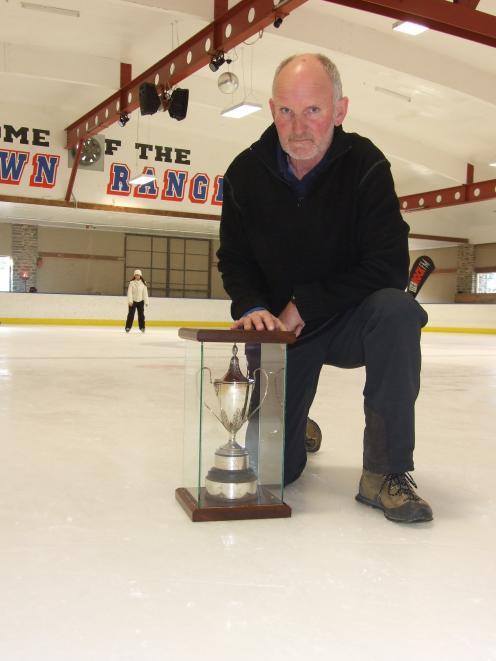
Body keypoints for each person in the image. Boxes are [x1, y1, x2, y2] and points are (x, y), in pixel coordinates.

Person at [216, 53, 432, 524]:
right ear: (272, 109)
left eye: (313, 110)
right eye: (286, 112)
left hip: (353, 318)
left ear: (340, 109)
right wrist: (254, 306)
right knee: (277, 470)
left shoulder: (366, 166)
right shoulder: (244, 174)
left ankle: (385, 472)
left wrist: (306, 303)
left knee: (398, 311)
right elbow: (234, 258)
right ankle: (296, 428)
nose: (298, 128)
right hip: (283, 333)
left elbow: (390, 266)